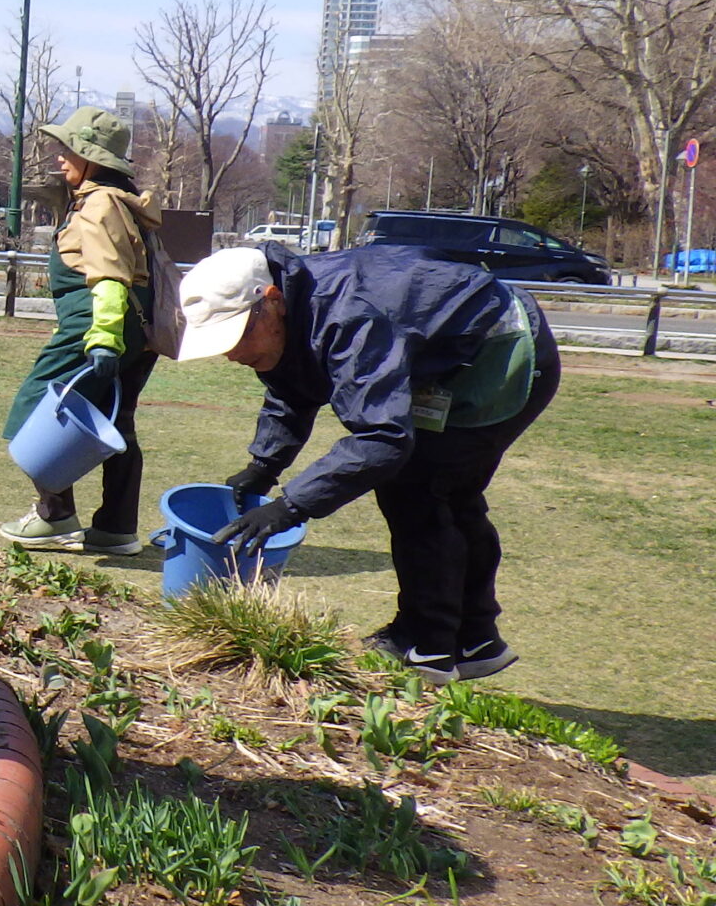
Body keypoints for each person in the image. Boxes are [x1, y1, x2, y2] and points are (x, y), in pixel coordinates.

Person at [173, 242, 560, 684]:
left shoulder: (350, 315)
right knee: (437, 492)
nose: (233, 354)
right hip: (447, 357)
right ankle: (475, 640)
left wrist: (290, 506)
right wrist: (265, 465)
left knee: (422, 489)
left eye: (238, 334)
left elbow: (383, 437)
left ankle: (428, 646)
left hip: (499, 347)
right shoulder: (297, 307)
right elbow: (292, 387)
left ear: (271, 301)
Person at [0, 106, 164, 556]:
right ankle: (116, 528)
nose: (59, 156)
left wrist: (104, 340)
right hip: (138, 333)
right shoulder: (124, 202)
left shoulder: (99, 206)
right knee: (118, 421)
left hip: (95, 330)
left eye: (68, 148)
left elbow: (110, 277)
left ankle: (56, 516)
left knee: (34, 413)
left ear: (93, 158)